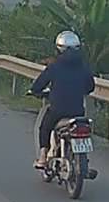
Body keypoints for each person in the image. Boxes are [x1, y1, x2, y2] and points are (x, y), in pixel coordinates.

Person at [30, 31, 96, 168]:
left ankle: (42, 157)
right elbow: (90, 87)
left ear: (59, 48)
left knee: (44, 128)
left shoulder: (54, 66)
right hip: (77, 111)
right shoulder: (84, 67)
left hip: (57, 110)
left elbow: (38, 85)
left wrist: (36, 92)